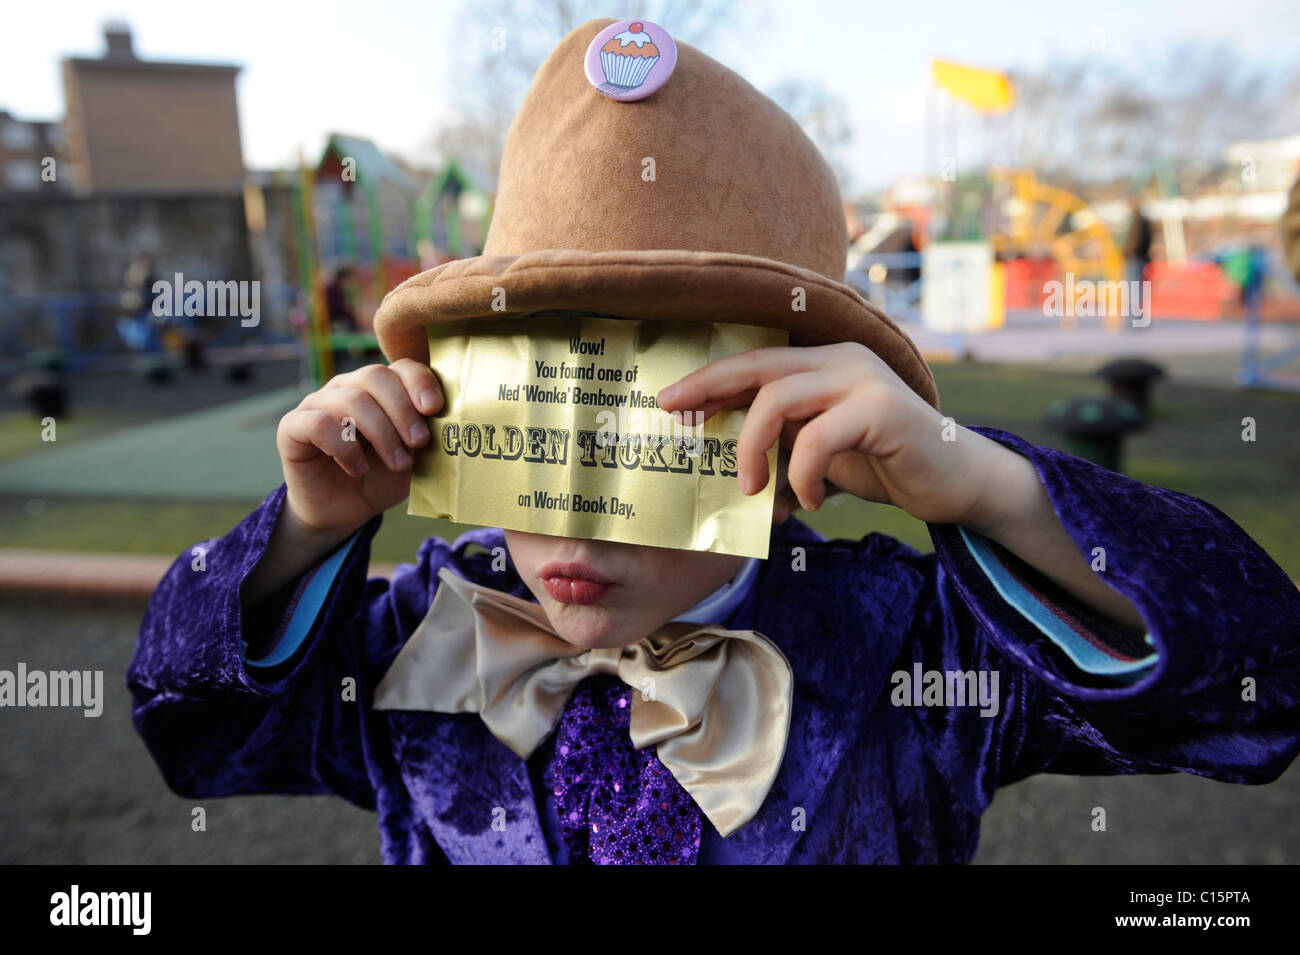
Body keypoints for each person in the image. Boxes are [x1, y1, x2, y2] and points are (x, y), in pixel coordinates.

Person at [127, 19, 1300, 865]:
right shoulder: (414, 638)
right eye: (536, 433)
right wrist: (302, 536)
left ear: (798, 437)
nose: (576, 520)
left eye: (649, 437)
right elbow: (194, 734)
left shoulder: (910, 648)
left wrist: (981, 485)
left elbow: (1250, 692)